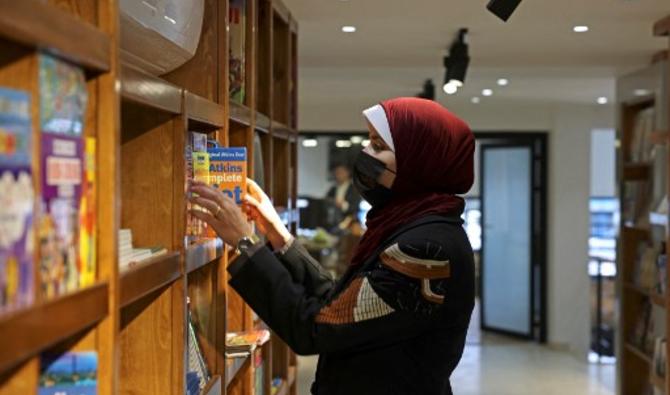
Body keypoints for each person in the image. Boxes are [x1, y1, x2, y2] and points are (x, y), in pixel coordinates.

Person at [189, 97, 475, 395]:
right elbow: (337, 304)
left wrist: (246, 243)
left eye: (378, 146)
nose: (365, 153)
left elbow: (314, 328)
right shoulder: (410, 225)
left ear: (419, 161)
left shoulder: (425, 249)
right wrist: (278, 236)